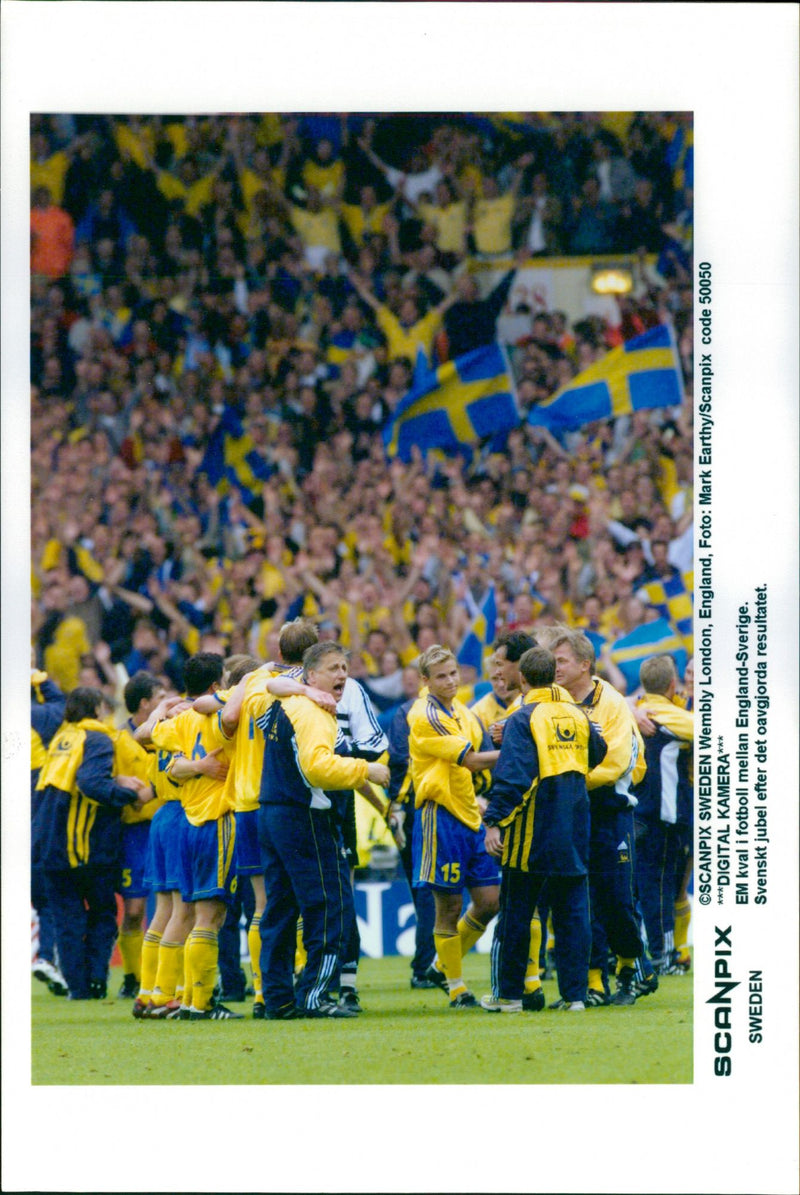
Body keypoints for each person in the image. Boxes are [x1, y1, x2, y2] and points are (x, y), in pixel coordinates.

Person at [258, 640, 389, 1019]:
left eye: (344, 668)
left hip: (271, 811)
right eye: (333, 668)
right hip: (303, 816)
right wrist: (366, 770)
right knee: (328, 903)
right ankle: (316, 995)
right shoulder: (314, 712)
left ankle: (278, 998)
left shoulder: (281, 704)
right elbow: (317, 768)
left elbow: (262, 685)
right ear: (309, 674)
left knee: (280, 909)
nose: (342, 675)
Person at [480, 647, 607, 1012]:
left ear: (522, 678)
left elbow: (515, 776)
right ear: (554, 674)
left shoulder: (522, 719)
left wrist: (494, 819)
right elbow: (598, 752)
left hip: (532, 830)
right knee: (572, 915)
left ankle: (509, 996)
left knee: (517, 913)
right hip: (574, 826)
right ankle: (575, 996)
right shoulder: (578, 715)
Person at [541, 627, 656, 1007]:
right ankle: (596, 983)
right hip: (572, 811)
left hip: (609, 810)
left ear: (585, 665)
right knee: (578, 902)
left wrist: (569, 783)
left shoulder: (613, 703)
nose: (555, 668)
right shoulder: (555, 700)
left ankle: (631, 968)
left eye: (562, 661)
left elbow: (616, 762)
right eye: (554, 661)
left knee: (616, 900)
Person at [33, 686, 152, 999]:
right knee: (102, 911)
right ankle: (96, 980)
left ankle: (78, 988)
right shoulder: (97, 737)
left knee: (67, 920)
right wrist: (128, 794)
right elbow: (90, 783)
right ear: (97, 708)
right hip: (82, 846)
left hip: (50, 845)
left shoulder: (63, 737)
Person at [145, 652, 244, 1020]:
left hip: (187, 822)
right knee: (210, 917)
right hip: (218, 820)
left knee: (184, 914)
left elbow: (151, 737)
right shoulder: (220, 718)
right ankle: (199, 1004)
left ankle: (168, 996)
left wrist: (164, 708)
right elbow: (232, 713)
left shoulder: (181, 720)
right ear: (217, 685)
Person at [408, 645, 500, 1008]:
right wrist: (528, 747)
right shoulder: (424, 714)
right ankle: (457, 986)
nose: (450, 681)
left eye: (453, 673)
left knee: (490, 901)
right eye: (441, 676)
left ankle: (438, 965)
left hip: (471, 814)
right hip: (440, 815)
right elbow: (474, 760)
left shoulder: (463, 711)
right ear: (425, 681)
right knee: (447, 906)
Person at [632, 655, 693, 973]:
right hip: (665, 815)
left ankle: (654, 952)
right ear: (672, 685)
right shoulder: (671, 715)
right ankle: (664, 955)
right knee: (662, 887)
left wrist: (633, 706)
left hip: (636, 812)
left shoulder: (633, 710)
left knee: (646, 886)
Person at [115, 670, 167, 998]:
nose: (167, 702)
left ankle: (162, 977)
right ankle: (132, 976)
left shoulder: (172, 732)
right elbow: (104, 776)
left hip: (167, 826)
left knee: (174, 906)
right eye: (160, 698)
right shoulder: (117, 739)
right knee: (134, 911)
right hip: (134, 833)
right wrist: (119, 782)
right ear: (145, 703)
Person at [386, 663, 437, 988]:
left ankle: (427, 964)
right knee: (429, 889)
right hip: (424, 809)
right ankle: (427, 964)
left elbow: (397, 764)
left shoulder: (404, 714)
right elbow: (402, 765)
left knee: (426, 888)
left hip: (412, 809)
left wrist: (396, 807)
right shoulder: (455, 712)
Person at [30, 666, 68, 996]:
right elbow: (61, 703)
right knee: (47, 900)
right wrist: (37, 674)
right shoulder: (40, 714)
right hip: (34, 815)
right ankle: (46, 957)